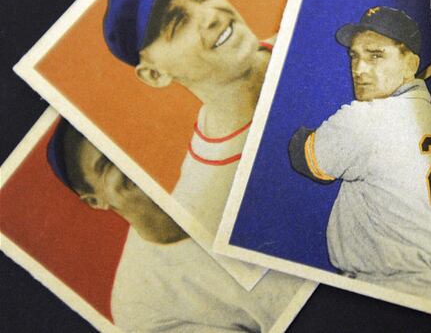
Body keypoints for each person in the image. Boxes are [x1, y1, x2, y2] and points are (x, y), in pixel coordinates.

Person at [47, 119, 310, 332]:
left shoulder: (218, 159)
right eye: (106, 164)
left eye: (120, 144)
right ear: (95, 200)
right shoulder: (137, 301)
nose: (125, 159)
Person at [288, 6, 431, 307]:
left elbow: (304, 157)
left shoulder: (367, 118)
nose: (359, 69)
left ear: (411, 63)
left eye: (376, 55)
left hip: (389, 292)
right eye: (354, 56)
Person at [103, 0, 272, 232]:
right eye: (178, 23)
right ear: (155, 74)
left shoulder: (311, 29)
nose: (211, 17)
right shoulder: (210, 199)